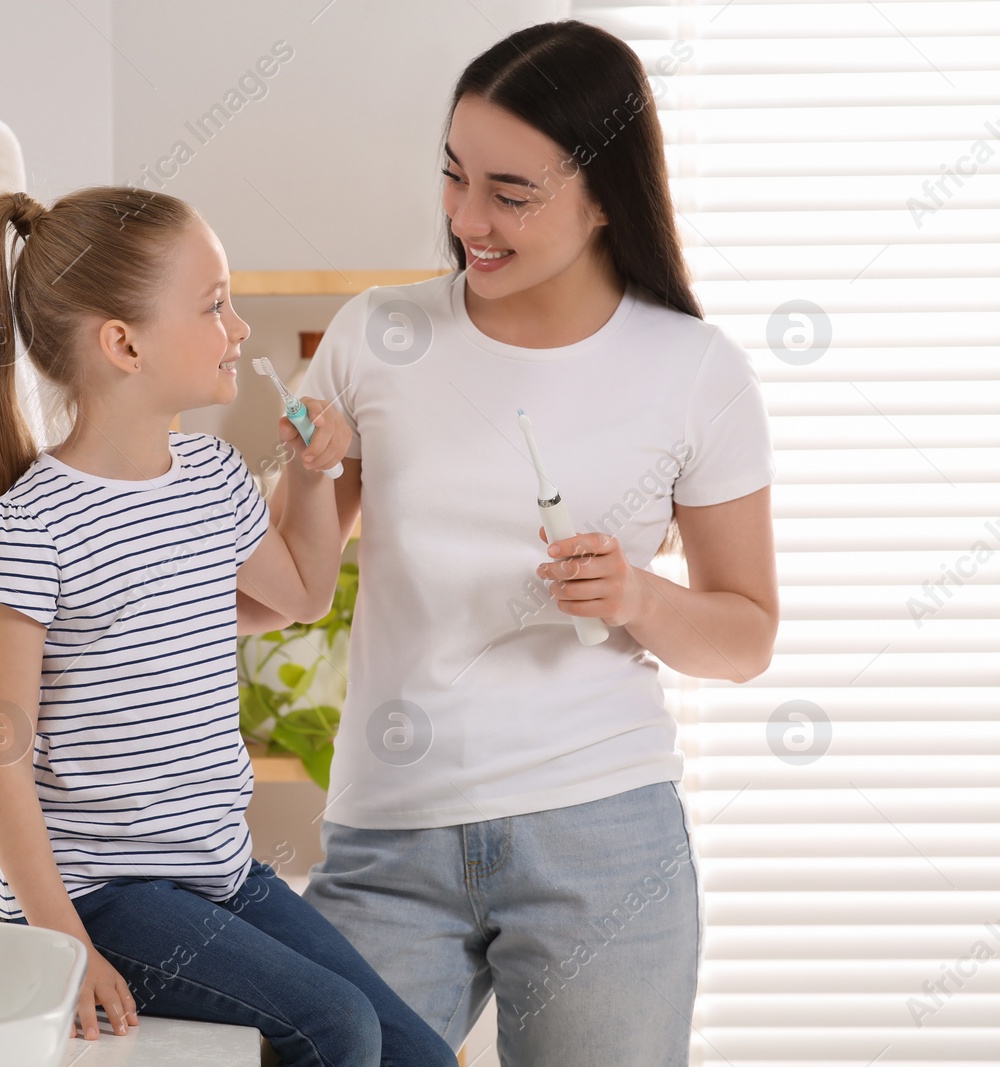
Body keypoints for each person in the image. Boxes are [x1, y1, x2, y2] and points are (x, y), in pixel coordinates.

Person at [241, 21, 779, 1065]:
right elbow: (295, 588)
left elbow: (744, 635)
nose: (465, 219)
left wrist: (638, 598)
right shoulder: (376, 335)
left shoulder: (694, 370)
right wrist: (305, 475)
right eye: (452, 176)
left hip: (602, 837)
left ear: (603, 195)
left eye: (508, 193)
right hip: (389, 828)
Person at [0, 184, 460, 1067]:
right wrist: (63, 943)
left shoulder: (212, 478)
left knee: (422, 1054)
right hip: (103, 893)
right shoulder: (29, 531)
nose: (239, 329)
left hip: (218, 871)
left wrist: (307, 478)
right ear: (124, 344)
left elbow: (298, 593)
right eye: (214, 305)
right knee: (337, 1027)